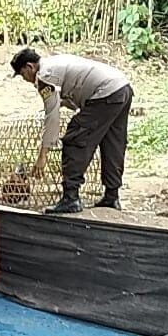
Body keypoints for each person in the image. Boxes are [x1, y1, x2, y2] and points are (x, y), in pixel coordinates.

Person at [11, 48, 133, 214]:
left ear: (30, 66)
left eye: (22, 74)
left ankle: (71, 197)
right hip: (122, 88)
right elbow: (72, 94)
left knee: (75, 139)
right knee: (113, 142)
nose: (25, 79)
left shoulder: (44, 76)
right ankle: (112, 196)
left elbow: (52, 116)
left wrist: (43, 155)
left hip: (105, 93)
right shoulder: (55, 62)